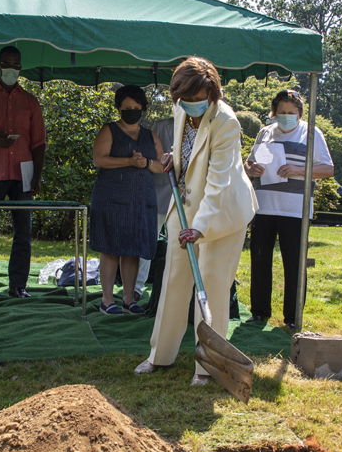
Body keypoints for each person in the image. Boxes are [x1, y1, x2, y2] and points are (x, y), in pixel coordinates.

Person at [134, 57, 258, 384]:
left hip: (222, 216)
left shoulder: (226, 122)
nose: (191, 106)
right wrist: (174, 159)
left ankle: (208, 367)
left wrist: (199, 227)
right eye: (185, 100)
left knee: (212, 286)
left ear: (213, 93)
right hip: (184, 207)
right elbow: (189, 151)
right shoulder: (181, 109)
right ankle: (159, 356)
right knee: (174, 281)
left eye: (198, 99)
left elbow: (218, 184)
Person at [244, 89, 334, 329]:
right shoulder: (265, 132)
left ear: (300, 113)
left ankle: (293, 318)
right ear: (274, 112)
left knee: (294, 264)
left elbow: (327, 170)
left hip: (295, 211)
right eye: (281, 113)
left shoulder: (311, 133)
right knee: (260, 260)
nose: (286, 117)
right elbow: (250, 161)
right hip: (263, 207)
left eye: (291, 113)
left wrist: (298, 171)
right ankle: (259, 313)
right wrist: (251, 168)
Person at [0, 46, 46, 302]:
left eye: (16, 64)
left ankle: (17, 286)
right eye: (7, 63)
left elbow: (39, 143)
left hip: (23, 173)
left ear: (20, 68)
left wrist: (36, 176)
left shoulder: (30, 102)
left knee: (23, 232)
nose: (12, 68)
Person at [89, 85, 164, 314]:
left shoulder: (151, 135)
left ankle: (129, 300)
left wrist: (147, 164)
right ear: (119, 108)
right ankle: (107, 300)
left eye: (136, 107)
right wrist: (129, 162)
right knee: (111, 248)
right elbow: (99, 160)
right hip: (111, 199)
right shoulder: (109, 130)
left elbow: (162, 165)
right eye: (127, 108)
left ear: (143, 108)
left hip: (141, 201)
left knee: (133, 249)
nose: (132, 111)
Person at [134, 116, 175, 301]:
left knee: (181, 242)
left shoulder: (206, 125)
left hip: (188, 194)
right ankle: (136, 287)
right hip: (159, 191)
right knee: (148, 240)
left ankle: (175, 289)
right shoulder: (161, 126)